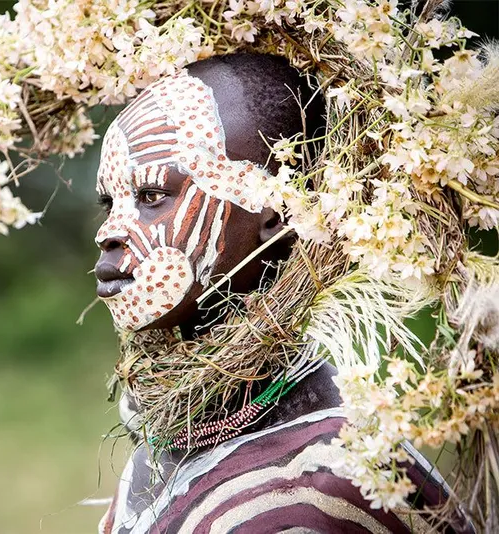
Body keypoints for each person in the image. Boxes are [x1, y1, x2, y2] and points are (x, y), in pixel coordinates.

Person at [92, 54, 468, 534]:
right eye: (109, 202)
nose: (107, 231)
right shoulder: (166, 446)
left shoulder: (321, 482)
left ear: (273, 211)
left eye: (151, 197)